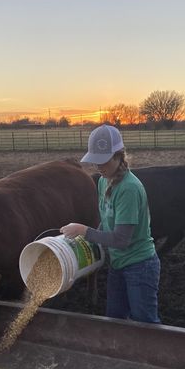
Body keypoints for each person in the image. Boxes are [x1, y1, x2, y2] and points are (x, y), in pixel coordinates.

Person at [60, 124, 161, 323]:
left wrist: (84, 230)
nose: (98, 166)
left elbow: (121, 239)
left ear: (118, 155)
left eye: (103, 161)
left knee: (145, 323)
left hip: (140, 265)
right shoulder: (103, 181)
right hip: (118, 264)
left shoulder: (129, 189)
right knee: (114, 319)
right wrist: (84, 238)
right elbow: (106, 224)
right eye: (95, 161)